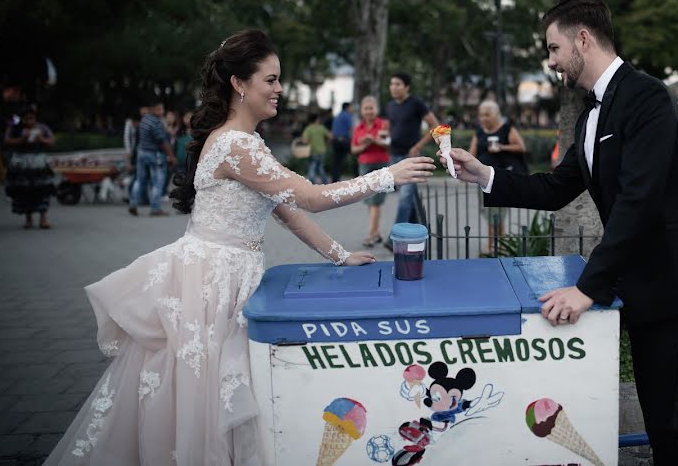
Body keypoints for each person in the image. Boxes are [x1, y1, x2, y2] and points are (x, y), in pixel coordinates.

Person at [43, 30, 435, 466]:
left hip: (222, 275)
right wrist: (387, 176)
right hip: (211, 283)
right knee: (202, 399)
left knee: (210, 396)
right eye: (270, 79)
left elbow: (286, 211)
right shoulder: (236, 145)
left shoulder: (240, 141)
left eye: (278, 80)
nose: (279, 89)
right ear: (239, 84)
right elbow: (309, 197)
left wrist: (340, 255)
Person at [443, 0, 678, 466]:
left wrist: (586, 289)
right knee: (663, 425)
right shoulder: (591, 115)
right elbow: (555, 188)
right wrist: (484, 175)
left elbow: (639, 201)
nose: (550, 61)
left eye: (553, 49)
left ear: (583, 39)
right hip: (642, 287)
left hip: (677, 286)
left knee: (674, 429)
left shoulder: (648, 96)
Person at [384, 72, 439, 248]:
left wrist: (418, 146)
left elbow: (436, 126)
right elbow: (391, 128)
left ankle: (396, 238)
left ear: (406, 87)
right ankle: (420, 230)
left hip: (411, 157)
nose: (393, 87)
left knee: (405, 197)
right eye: (391, 84)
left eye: (398, 84)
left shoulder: (416, 104)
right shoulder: (390, 106)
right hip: (394, 155)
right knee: (410, 199)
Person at [468, 99, 527, 251]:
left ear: (496, 115)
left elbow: (521, 147)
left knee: (495, 213)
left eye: (487, 115)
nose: (483, 118)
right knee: (490, 214)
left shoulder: (506, 129)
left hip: (500, 178)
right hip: (481, 178)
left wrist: (501, 147)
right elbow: (472, 153)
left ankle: (492, 247)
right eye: (481, 115)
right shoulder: (479, 131)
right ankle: (502, 245)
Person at [3, 108, 56, 229]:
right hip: (21, 162)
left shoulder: (42, 128)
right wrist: (22, 139)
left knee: (42, 190)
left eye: (31, 118)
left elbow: (52, 141)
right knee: (24, 191)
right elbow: (7, 141)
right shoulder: (15, 128)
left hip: (38, 162)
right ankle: (28, 218)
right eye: (26, 118)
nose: (29, 121)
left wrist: (41, 139)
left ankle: (43, 218)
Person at [351, 96, 391, 247]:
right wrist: (364, 144)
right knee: (370, 201)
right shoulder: (358, 128)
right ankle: (376, 232)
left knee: (375, 202)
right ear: (361, 110)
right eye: (366, 108)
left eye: (371, 108)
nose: (368, 111)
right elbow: (353, 149)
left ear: (377, 110)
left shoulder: (383, 125)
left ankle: (371, 235)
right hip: (364, 166)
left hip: (380, 165)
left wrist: (372, 139)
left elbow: (387, 144)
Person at [128, 99, 176, 216]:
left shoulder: (144, 120)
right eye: (160, 109)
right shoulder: (156, 123)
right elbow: (162, 142)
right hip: (154, 154)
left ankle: (133, 204)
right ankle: (155, 208)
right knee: (158, 182)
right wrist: (171, 156)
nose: (162, 111)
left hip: (141, 152)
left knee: (139, 180)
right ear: (153, 109)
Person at [301, 113, 331, 184]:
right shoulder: (321, 127)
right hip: (322, 151)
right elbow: (330, 136)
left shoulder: (308, 129)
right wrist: (326, 142)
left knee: (312, 166)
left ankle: (312, 181)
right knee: (320, 167)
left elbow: (305, 141)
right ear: (316, 119)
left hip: (313, 151)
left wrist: (308, 141)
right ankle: (325, 181)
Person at [329, 101, 355, 182]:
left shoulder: (337, 116)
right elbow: (352, 129)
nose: (352, 109)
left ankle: (334, 180)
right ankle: (358, 178)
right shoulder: (347, 116)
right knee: (356, 156)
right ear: (347, 108)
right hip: (344, 141)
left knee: (337, 161)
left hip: (335, 141)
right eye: (351, 107)